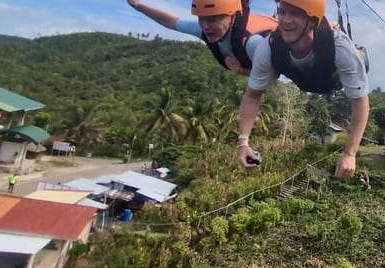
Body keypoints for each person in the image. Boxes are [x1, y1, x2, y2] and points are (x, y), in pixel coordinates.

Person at [236, 0, 370, 178]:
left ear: (313, 21)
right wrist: (243, 143)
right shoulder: (268, 47)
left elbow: (360, 102)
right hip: (306, 79)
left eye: (295, 13)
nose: (285, 20)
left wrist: (349, 153)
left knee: (359, 59)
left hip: (334, 79)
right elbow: (252, 96)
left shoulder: (339, 47)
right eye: (282, 12)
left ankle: (362, 53)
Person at [127, 0, 277, 75]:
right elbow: (170, 21)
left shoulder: (252, 43)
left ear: (232, 17)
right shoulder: (204, 30)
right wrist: (138, 5)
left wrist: (242, 70)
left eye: (212, 20)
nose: (205, 26)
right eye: (201, 19)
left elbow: (276, 72)